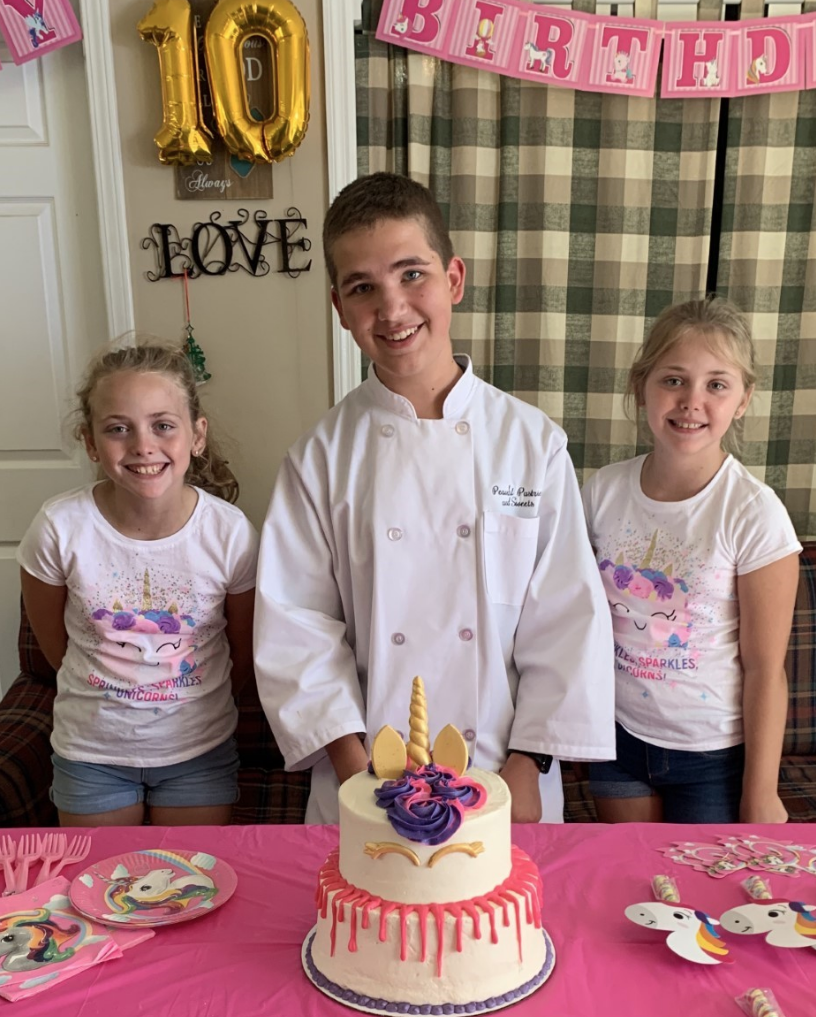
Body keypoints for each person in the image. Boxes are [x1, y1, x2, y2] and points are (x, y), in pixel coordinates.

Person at [254, 171, 615, 825]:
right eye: (363, 288)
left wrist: (526, 768)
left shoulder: (531, 443)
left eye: (410, 274)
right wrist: (354, 771)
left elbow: (565, 620)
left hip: (504, 771)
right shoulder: (319, 459)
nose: (392, 308)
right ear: (339, 307)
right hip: (361, 776)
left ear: (453, 280)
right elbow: (297, 629)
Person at [18, 341, 259, 826]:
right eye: (117, 429)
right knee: (94, 891)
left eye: (163, 425)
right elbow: (56, 648)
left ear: (197, 435)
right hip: (90, 755)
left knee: (190, 889)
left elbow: (240, 650)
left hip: (198, 751)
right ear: (90, 442)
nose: (143, 446)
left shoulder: (230, 533)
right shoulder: (59, 527)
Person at [583, 298, 801, 824]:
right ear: (642, 385)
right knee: (630, 889)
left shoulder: (752, 512)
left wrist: (762, 793)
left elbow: (766, 670)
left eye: (716, 385)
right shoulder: (601, 491)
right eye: (673, 380)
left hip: (713, 756)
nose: (691, 402)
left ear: (743, 399)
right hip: (617, 738)